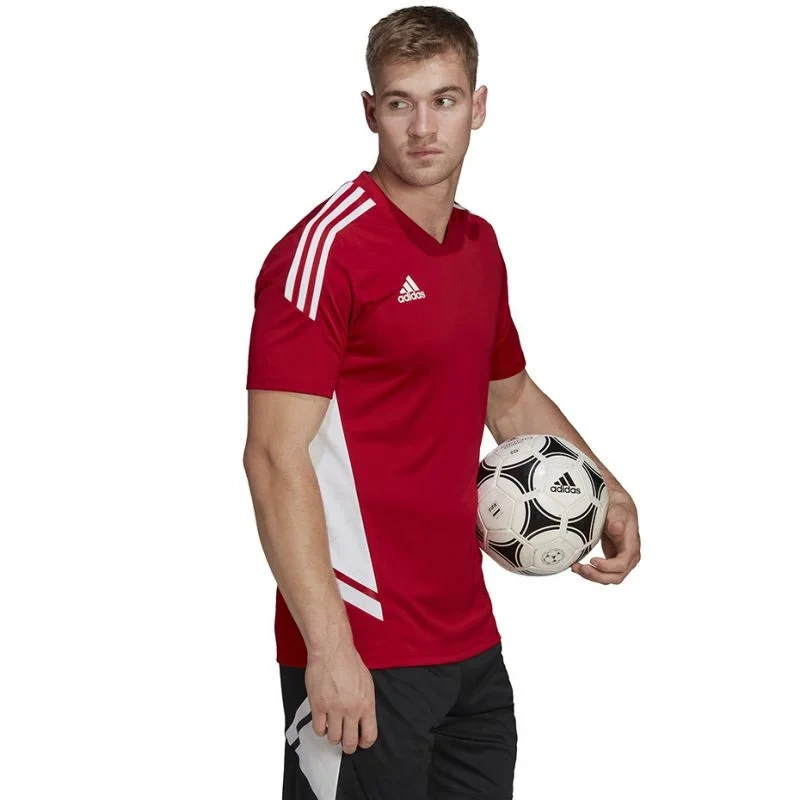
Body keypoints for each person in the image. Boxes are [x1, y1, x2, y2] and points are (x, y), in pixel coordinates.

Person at [243, 6, 641, 798]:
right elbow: (272, 456)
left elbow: (510, 395)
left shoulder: (477, 246)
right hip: (362, 645)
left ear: (478, 106)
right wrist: (329, 648)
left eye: (444, 100)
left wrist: (606, 489)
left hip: (469, 645)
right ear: (371, 111)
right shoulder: (324, 253)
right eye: (400, 103)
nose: (423, 127)